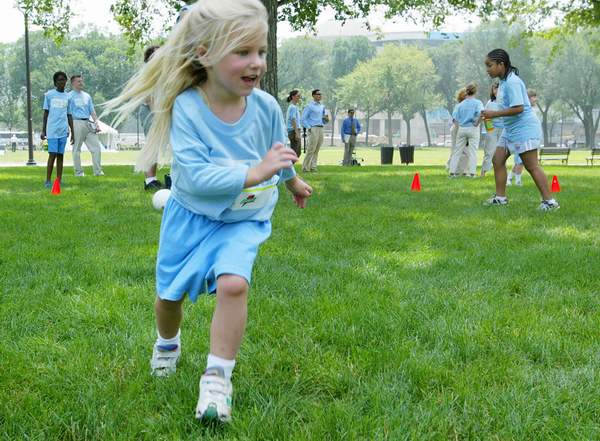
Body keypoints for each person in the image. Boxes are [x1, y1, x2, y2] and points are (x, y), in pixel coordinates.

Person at [105, 0, 313, 424]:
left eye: (261, 52)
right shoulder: (188, 107)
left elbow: (278, 153)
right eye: (243, 52)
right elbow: (197, 177)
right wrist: (254, 172)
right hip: (191, 216)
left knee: (234, 284)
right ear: (204, 54)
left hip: (243, 219)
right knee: (169, 297)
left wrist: (291, 180)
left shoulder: (268, 106)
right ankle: (167, 342)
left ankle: (217, 378)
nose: (256, 63)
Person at [482, 49, 559, 210]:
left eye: (490, 65)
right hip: (510, 129)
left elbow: (519, 109)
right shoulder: (503, 82)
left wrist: (493, 114)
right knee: (497, 160)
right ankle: (500, 198)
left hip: (524, 129)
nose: (487, 69)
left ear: (501, 64)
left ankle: (549, 202)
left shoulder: (513, 82)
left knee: (531, 166)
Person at [41, 71, 73, 188]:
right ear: (55, 82)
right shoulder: (49, 95)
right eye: (59, 80)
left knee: (60, 155)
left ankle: (59, 180)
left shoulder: (68, 96)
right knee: (52, 154)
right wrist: (43, 130)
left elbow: (69, 115)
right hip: (52, 130)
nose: (62, 82)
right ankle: (48, 181)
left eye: (63, 80)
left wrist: (72, 131)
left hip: (63, 130)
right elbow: (45, 113)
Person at [139, 45, 165, 191]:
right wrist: (157, 114)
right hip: (150, 110)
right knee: (151, 145)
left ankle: (153, 179)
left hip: (160, 111)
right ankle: (149, 180)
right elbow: (149, 97)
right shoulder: (148, 73)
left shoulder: (163, 72)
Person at [69, 75, 104, 177]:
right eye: (78, 81)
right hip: (77, 122)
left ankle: (98, 171)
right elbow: (68, 113)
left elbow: (92, 111)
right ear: (73, 83)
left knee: (96, 148)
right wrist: (69, 127)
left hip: (88, 123)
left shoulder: (87, 96)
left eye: (81, 81)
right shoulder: (69, 96)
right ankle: (79, 173)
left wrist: (96, 123)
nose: (81, 83)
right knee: (77, 149)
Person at [448, 83, 483, 178]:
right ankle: (472, 173)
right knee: (472, 152)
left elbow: (454, 119)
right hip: (473, 128)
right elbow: (482, 113)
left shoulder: (460, 105)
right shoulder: (478, 103)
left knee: (457, 151)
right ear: (475, 92)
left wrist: (459, 128)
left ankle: (452, 173)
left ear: (466, 91)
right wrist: (477, 123)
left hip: (462, 128)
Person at [506, 89, 539, 186]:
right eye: (533, 97)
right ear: (527, 98)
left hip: (527, 137)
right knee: (520, 161)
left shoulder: (530, 110)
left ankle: (509, 178)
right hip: (522, 138)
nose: (535, 99)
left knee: (519, 161)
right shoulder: (524, 109)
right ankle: (518, 181)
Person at [301, 89, 328, 172]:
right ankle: (305, 168)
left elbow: (324, 120)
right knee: (311, 148)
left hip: (321, 128)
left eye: (320, 94)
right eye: (318, 94)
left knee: (317, 149)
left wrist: (326, 119)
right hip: (313, 128)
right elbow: (303, 119)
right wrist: (309, 128)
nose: (319, 95)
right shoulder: (309, 106)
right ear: (313, 95)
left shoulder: (322, 106)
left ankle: (313, 167)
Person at [481, 82, 503, 177]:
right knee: (490, 150)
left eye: (499, 89)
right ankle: (483, 172)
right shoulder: (490, 103)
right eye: (495, 89)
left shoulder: (506, 102)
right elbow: (484, 116)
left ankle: (500, 172)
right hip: (492, 130)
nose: (497, 91)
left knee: (501, 152)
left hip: (503, 129)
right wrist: (489, 129)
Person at [285, 90, 302, 157]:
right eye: (298, 96)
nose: (299, 97)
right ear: (293, 97)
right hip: (293, 131)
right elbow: (293, 120)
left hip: (293, 131)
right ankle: (287, 166)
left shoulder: (293, 107)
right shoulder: (293, 107)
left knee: (296, 152)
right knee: (295, 153)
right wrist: (297, 133)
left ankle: (288, 166)